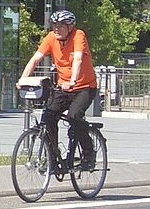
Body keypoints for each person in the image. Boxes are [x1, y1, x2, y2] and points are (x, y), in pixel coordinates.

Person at [17, 10, 98, 167]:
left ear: (70, 26)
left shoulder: (78, 35)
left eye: (61, 26)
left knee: (74, 116)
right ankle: (53, 157)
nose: (56, 29)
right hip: (63, 88)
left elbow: (78, 59)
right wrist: (23, 79)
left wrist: (73, 80)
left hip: (84, 87)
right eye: (54, 25)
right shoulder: (51, 38)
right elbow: (35, 59)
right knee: (48, 118)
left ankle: (89, 153)